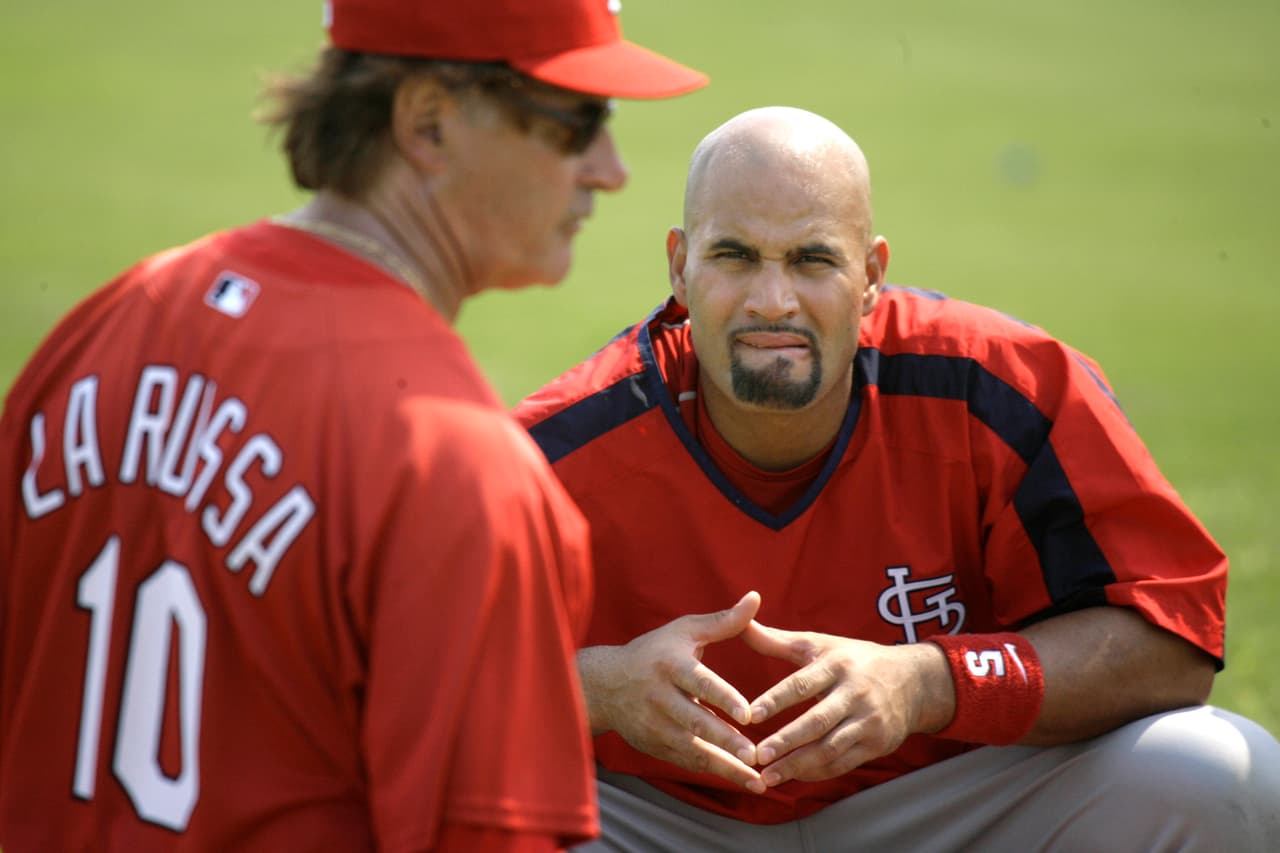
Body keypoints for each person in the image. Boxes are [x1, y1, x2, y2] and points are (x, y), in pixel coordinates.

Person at [0, 2, 707, 851]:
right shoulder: (455, 465)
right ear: (428, 123)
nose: (610, 169)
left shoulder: (103, 330)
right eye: (577, 120)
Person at [514, 107, 1280, 851]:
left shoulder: (1000, 387)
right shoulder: (559, 444)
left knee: (1218, 775)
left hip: (949, 804)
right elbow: (408, 680)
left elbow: (1171, 641)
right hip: (653, 819)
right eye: (734, 255)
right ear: (680, 265)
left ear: (872, 274)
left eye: (813, 259)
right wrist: (604, 687)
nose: (771, 299)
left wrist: (928, 682)